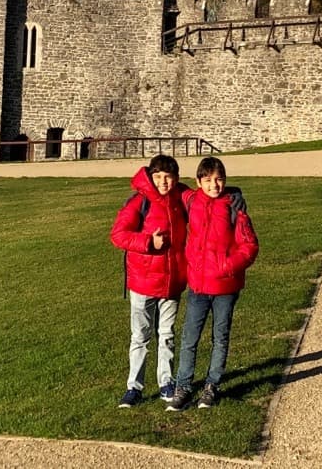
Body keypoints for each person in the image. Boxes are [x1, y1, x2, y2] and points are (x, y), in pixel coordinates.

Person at [166, 156, 258, 411]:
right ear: (198, 182)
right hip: (198, 284)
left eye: (219, 180)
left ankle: (211, 385)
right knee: (189, 338)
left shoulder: (234, 208)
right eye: (208, 181)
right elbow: (167, 185)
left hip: (225, 286)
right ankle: (183, 386)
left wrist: (226, 267)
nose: (214, 185)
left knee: (220, 337)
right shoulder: (192, 200)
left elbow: (249, 246)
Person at [110, 154, 188, 408]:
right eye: (158, 177)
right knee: (140, 337)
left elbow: (208, 200)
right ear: (151, 178)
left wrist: (234, 195)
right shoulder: (140, 201)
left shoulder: (180, 198)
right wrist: (147, 243)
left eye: (168, 177)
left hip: (172, 280)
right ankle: (134, 387)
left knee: (166, 335)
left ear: (176, 178)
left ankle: (166, 382)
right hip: (144, 281)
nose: (163, 182)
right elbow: (118, 235)